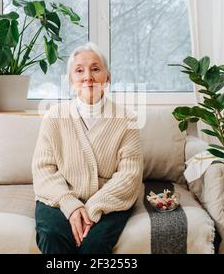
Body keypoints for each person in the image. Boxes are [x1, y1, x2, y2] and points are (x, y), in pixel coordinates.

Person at [32, 42, 143, 254]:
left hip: (108, 200)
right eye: (79, 70)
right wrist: (70, 205)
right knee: (52, 235)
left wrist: (91, 209)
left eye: (95, 69)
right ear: (71, 80)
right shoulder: (54, 117)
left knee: (95, 244)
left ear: (107, 77)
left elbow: (130, 175)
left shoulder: (127, 119)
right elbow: (43, 170)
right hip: (60, 198)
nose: (88, 77)